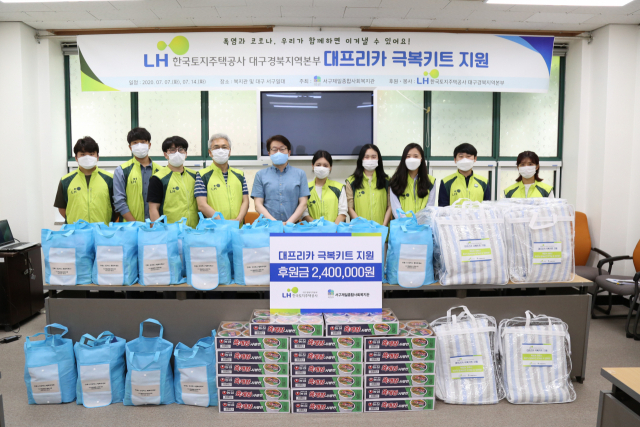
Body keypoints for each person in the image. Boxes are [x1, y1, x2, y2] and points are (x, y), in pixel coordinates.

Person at [54, 137, 114, 225]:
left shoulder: (110, 179)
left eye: (91, 154)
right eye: (82, 154)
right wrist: (74, 223)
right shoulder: (65, 181)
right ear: (76, 158)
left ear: (97, 157)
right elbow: (62, 208)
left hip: (102, 233)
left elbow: (116, 208)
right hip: (76, 233)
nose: (87, 157)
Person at [251, 135, 309, 224]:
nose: (278, 152)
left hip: (293, 226)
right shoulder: (260, 175)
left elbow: (303, 204)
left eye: (282, 149)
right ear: (269, 153)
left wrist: (288, 223)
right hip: (268, 226)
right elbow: (258, 205)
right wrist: (276, 224)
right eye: (274, 149)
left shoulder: (300, 174)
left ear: (289, 152)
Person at [195, 133, 249, 223]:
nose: (220, 150)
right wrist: (224, 222)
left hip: (237, 227)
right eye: (216, 147)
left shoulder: (239, 174)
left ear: (229, 151)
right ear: (210, 152)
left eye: (224, 147)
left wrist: (239, 219)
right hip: (214, 230)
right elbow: (202, 205)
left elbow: (245, 201)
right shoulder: (202, 175)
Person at [147, 136, 198, 228]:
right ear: (166, 154)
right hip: (170, 233)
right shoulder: (158, 178)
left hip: (194, 231)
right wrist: (159, 232)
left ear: (186, 154)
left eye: (181, 149)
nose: (177, 153)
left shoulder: (195, 175)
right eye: (172, 150)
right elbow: (153, 209)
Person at [113, 127, 160, 222]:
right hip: (130, 228)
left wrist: (156, 223)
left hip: (156, 227)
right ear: (130, 147)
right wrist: (135, 224)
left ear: (149, 145)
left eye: (143, 142)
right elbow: (119, 202)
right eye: (135, 143)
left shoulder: (161, 171)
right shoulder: (121, 170)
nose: (139, 145)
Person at [346, 144, 392, 226]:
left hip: (382, 231)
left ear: (378, 159)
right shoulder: (351, 181)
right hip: (360, 231)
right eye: (366, 157)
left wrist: (383, 226)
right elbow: (350, 208)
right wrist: (361, 225)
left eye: (373, 157)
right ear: (361, 159)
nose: (370, 160)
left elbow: (390, 206)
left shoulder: (387, 181)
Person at [389, 143, 436, 218]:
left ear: (421, 159)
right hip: (402, 227)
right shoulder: (395, 181)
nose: (412, 159)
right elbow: (396, 209)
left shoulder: (431, 181)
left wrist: (418, 224)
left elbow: (429, 208)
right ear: (404, 159)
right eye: (408, 156)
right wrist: (408, 225)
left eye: (416, 156)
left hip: (422, 227)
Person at [302, 150, 347, 224]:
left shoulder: (339, 188)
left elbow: (343, 212)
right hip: (313, 231)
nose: (321, 168)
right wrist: (318, 227)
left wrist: (332, 229)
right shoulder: (305, 188)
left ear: (330, 167)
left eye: (325, 165)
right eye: (318, 165)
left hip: (334, 232)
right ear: (313, 166)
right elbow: (304, 213)